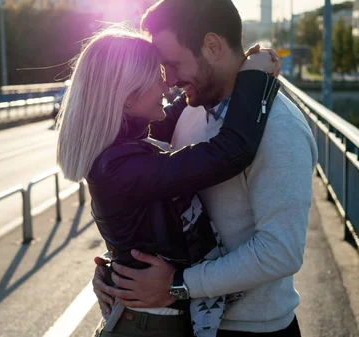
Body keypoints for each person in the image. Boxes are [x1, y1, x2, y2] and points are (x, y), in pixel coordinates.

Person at [91, 1, 319, 336]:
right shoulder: (191, 111)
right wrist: (119, 269)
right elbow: (151, 199)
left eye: (172, 64)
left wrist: (177, 285)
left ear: (211, 46)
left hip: (252, 329)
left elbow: (279, 252)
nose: (167, 80)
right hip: (191, 324)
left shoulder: (279, 128)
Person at [56, 24, 280, 337]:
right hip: (150, 326)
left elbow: (181, 105)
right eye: (159, 77)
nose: (168, 87)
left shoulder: (123, 149)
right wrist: (253, 78)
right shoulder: (121, 167)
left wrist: (235, 69)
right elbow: (231, 150)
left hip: (148, 320)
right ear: (127, 98)